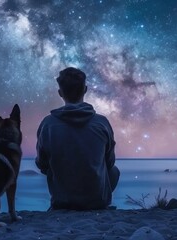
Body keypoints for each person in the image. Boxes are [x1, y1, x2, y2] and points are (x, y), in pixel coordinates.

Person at [35, 67, 120, 210]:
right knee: (114, 171)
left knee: (51, 169)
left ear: (60, 93)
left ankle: (63, 199)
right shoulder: (101, 123)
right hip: (97, 200)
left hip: (62, 201)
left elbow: (42, 164)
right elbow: (110, 162)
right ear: (85, 90)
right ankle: (97, 201)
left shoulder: (47, 124)